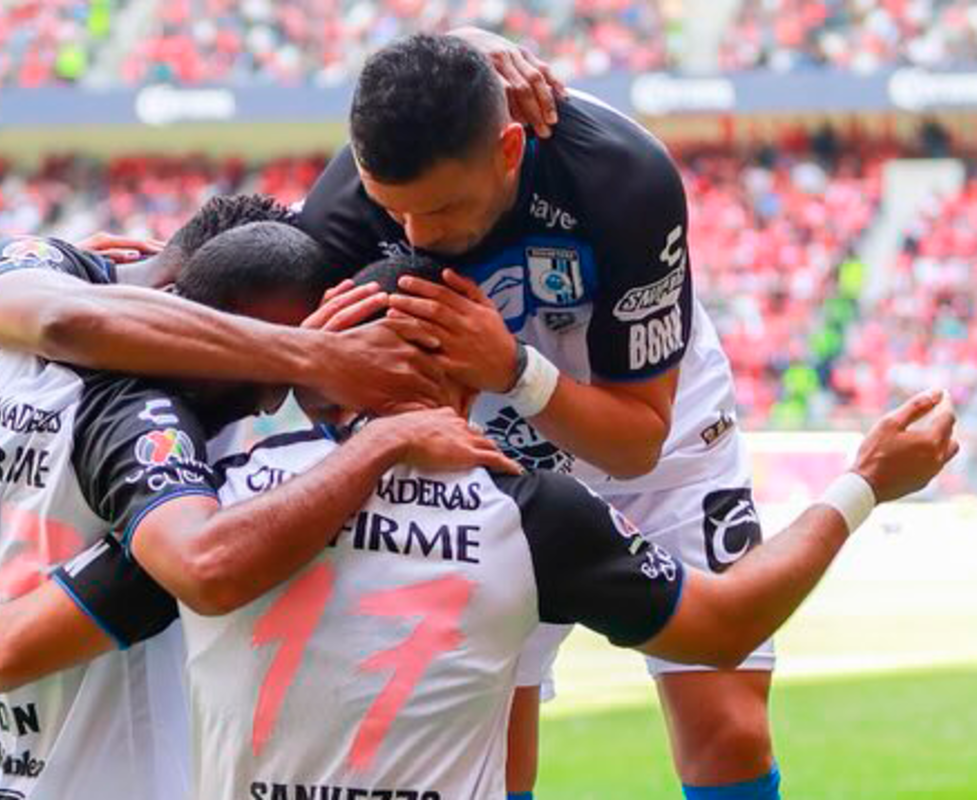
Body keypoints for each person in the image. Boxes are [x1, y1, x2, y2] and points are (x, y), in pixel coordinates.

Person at [0, 253, 960, 800]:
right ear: (460, 383)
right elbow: (728, 618)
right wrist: (863, 481)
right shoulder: (528, 509)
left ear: (323, 362)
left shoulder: (219, 501)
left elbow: (0, 645)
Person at [0, 220, 513, 800]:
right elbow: (13, 642)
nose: (270, 403)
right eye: (267, 372)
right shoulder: (154, 455)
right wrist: (377, 432)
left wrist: (4, 299)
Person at [291, 32, 791, 799]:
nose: (417, 237)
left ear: (509, 148)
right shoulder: (337, 217)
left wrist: (516, 371)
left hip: (654, 421)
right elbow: (314, 394)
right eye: (396, 211)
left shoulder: (623, 176)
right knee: (490, 748)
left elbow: (636, 446)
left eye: (446, 206)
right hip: (485, 452)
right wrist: (321, 377)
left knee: (729, 732)